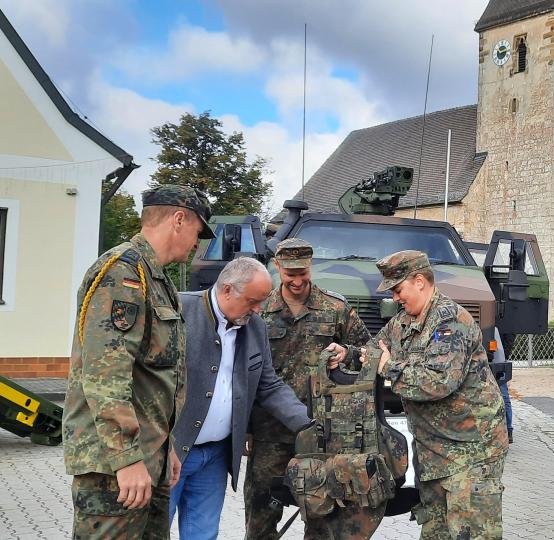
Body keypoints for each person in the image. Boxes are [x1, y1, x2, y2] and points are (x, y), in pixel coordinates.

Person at [64, 185, 214, 538]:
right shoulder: (123, 275)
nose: (197, 243)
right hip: (115, 467)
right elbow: (106, 376)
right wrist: (127, 458)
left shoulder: (156, 279)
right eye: (197, 231)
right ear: (179, 219)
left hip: (149, 460)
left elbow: (156, 376)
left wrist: (167, 449)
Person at [367, 250, 508, 540]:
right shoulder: (403, 321)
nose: (395, 297)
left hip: (470, 455)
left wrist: (388, 367)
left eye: (398, 289)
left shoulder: (449, 321)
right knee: (436, 532)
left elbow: (438, 382)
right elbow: (373, 347)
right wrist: (350, 353)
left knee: (470, 534)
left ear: (419, 281)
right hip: (434, 455)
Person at [169, 257, 311, 539]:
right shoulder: (178, 311)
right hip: (171, 452)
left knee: (204, 534)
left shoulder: (254, 326)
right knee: (153, 531)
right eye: (253, 301)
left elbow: (268, 385)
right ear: (227, 290)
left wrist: (306, 424)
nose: (258, 310)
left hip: (216, 457)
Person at [244, 238, 372, 540]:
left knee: (321, 513)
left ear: (311, 266)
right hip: (269, 430)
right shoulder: (260, 310)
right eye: (290, 274)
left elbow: (367, 350)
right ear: (277, 267)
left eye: (303, 272)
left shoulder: (335, 308)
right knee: (261, 512)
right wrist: (247, 427)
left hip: (321, 431)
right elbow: (245, 373)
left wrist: (347, 353)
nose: (298, 280)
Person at [492, 328, 514, 443]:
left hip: (498, 359)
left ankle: (508, 430)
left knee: (504, 396)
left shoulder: (499, 324)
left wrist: (505, 355)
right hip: (497, 358)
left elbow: (509, 335)